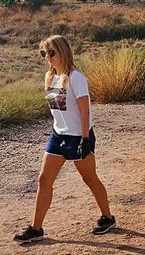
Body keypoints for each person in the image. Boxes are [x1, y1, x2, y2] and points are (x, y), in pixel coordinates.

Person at [13, 35, 116, 243]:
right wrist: (58, 129)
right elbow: (58, 111)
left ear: (63, 52)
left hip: (78, 136)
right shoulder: (50, 77)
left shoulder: (76, 78)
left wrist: (85, 139)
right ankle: (36, 228)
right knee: (44, 179)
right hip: (58, 135)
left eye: (52, 53)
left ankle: (108, 218)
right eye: (44, 53)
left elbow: (84, 109)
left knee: (89, 178)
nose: (48, 57)